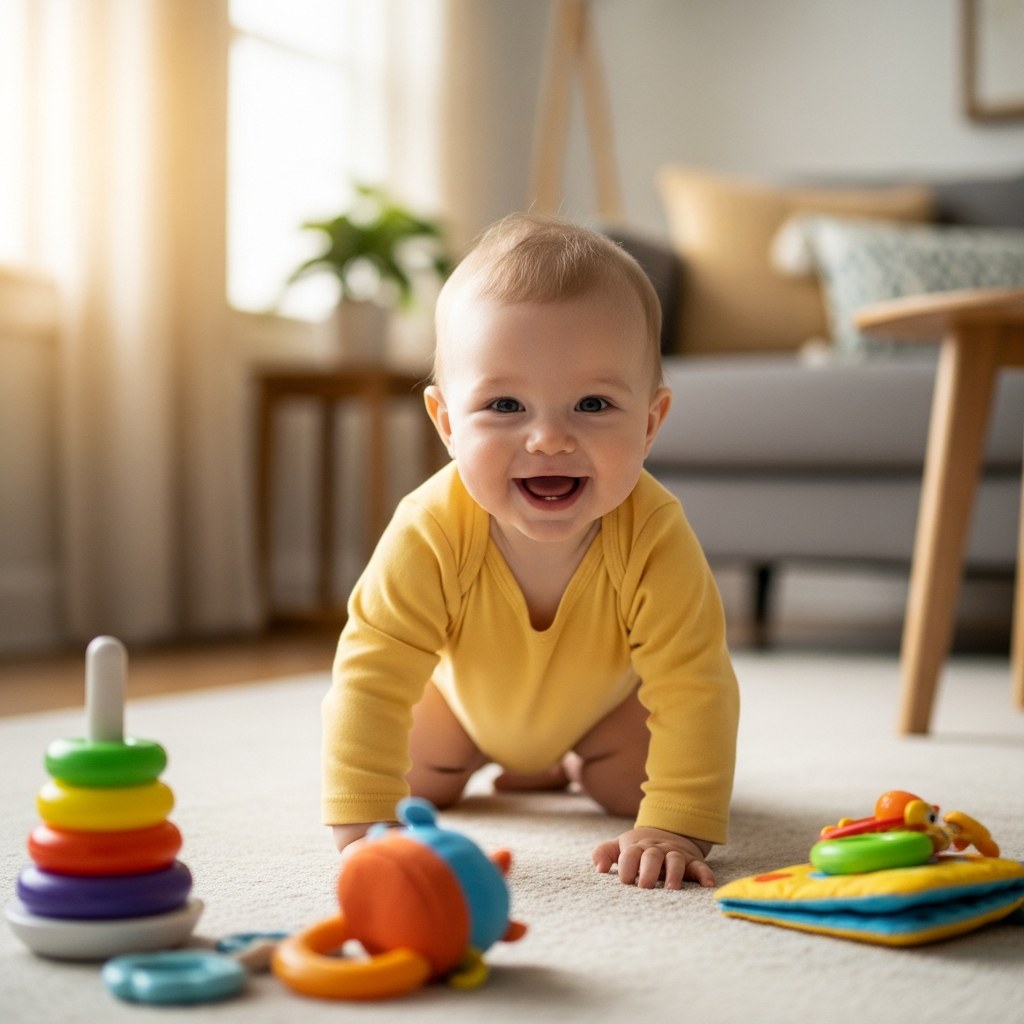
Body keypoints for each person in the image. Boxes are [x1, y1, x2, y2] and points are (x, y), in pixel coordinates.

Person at [322, 213, 739, 890]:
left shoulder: (656, 535)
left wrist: (674, 823)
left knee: (632, 790)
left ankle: (568, 763)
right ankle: (498, 762)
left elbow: (696, 686)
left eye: (594, 404)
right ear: (448, 423)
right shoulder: (429, 529)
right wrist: (364, 828)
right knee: (418, 780)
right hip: (456, 710)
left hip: (603, 713)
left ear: (651, 424)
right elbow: (370, 674)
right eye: (507, 404)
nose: (548, 439)